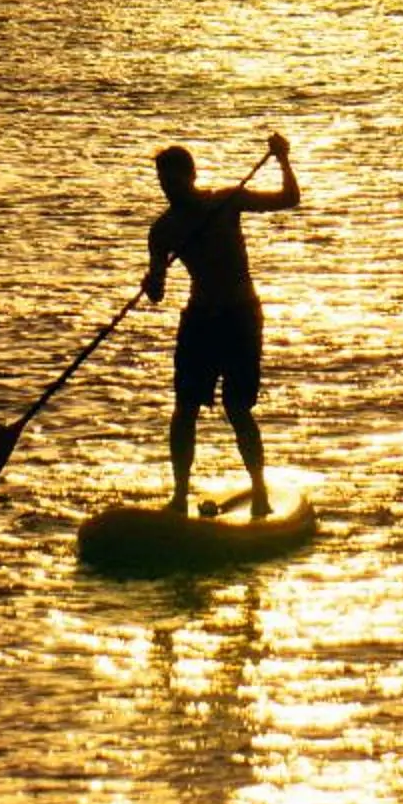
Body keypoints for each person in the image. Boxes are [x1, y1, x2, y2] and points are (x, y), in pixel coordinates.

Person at [145, 134, 300, 518]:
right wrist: (152, 283)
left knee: (237, 407)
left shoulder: (227, 201)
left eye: (175, 181)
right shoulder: (162, 230)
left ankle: (260, 493)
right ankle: (179, 496)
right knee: (184, 408)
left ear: (191, 176)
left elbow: (288, 199)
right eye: (164, 182)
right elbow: (158, 293)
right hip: (199, 319)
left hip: (239, 317)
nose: (170, 189)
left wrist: (282, 159)